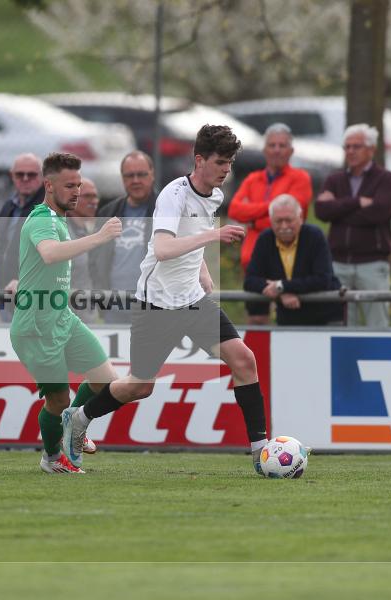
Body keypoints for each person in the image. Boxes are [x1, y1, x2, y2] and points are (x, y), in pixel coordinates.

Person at [60, 125, 269, 475]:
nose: (226, 170)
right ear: (199, 160)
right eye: (220, 162)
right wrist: (214, 235)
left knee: (244, 360)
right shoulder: (174, 195)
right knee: (139, 386)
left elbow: (189, 243)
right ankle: (79, 417)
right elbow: (163, 247)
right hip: (157, 305)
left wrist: (202, 273)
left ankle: (261, 452)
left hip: (192, 301)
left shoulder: (214, 195)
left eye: (230, 163)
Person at [9, 152, 122, 474]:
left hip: (62, 318)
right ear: (48, 185)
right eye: (69, 185)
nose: (76, 192)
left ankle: (74, 423)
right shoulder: (42, 218)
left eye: (79, 185)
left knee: (106, 383)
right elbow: (49, 254)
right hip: (36, 326)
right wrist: (99, 237)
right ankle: (51, 458)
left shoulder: (59, 220)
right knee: (57, 401)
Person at [314, 123, 391, 328]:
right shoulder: (334, 179)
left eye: (356, 146)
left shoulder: (386, 179)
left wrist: (338, 208)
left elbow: (379, 213)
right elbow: (322, 212)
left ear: (371, 149)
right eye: (347, 146)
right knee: (341, 324)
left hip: (373, 264)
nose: (350, 151)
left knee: (377, 324)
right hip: (338, 263)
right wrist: (357, 202)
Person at [228, 123, 312, 325]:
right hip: (255, 262)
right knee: (256, 318)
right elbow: (234, 210)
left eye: (282, 145)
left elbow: (294, 214)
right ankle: (257, 358)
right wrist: (275, 206)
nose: (276, 150)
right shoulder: (252, 179)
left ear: (291, 150)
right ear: (264, 150)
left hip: (288, 260)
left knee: (291, 316)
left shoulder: (300, 178)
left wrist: (254, 215)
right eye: (272, 145)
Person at [243, 195, 344, 326]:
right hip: (288, 319)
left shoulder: (315, 236)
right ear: (271, 221)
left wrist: (282, 287)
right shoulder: (265, 239)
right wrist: (281, 293)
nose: (284, 226)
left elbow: (323, 279)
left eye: (289, 220)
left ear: (300, 218)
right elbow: (250, 280)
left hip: (326, 318)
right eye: (278, 221)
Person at [89, 151, 156, 323]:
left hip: (156, 310)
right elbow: (95, 259)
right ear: (122, 178)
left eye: (141, 174)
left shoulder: (167, 211)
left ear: (152, 175)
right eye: (129, 175)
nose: (135, 180)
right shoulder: (107, 213)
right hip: (114, 309)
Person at [0, 153, 45, 322]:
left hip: (37, 300)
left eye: (31, 174)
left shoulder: (49, 208)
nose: (25, 178)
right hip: (6, 295)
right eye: (19, 174)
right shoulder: (8, 207)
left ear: (42, 176)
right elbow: (1, 249)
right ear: (12, 176)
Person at [66, 177, 100, 324]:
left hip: (86, 319)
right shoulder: (59, 231)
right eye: (87, 196)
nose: (93, 201)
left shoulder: (88, 231)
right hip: (61, 321)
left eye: (95, 196)